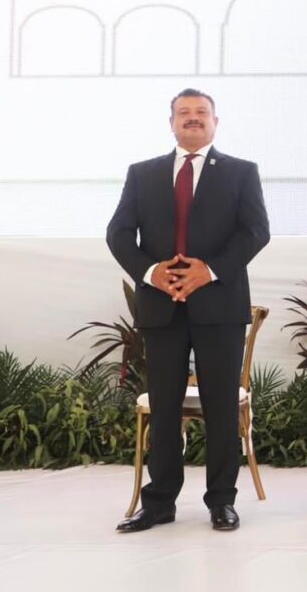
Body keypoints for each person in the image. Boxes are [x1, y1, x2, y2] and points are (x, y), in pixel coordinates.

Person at [108, 88, 270, 533]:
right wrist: (152, 272)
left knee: (221, 406)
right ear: (171, 122)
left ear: (216, 122)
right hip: (161, 307)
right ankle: (159, 502)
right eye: (185, 113)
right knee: (164, 407)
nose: (193, 119)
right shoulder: (142, 174)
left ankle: (221, 501)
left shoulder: (241, 172)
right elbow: (119, 234)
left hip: (219, 305)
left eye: (201, 113)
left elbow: (256, 231)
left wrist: (210, 271)